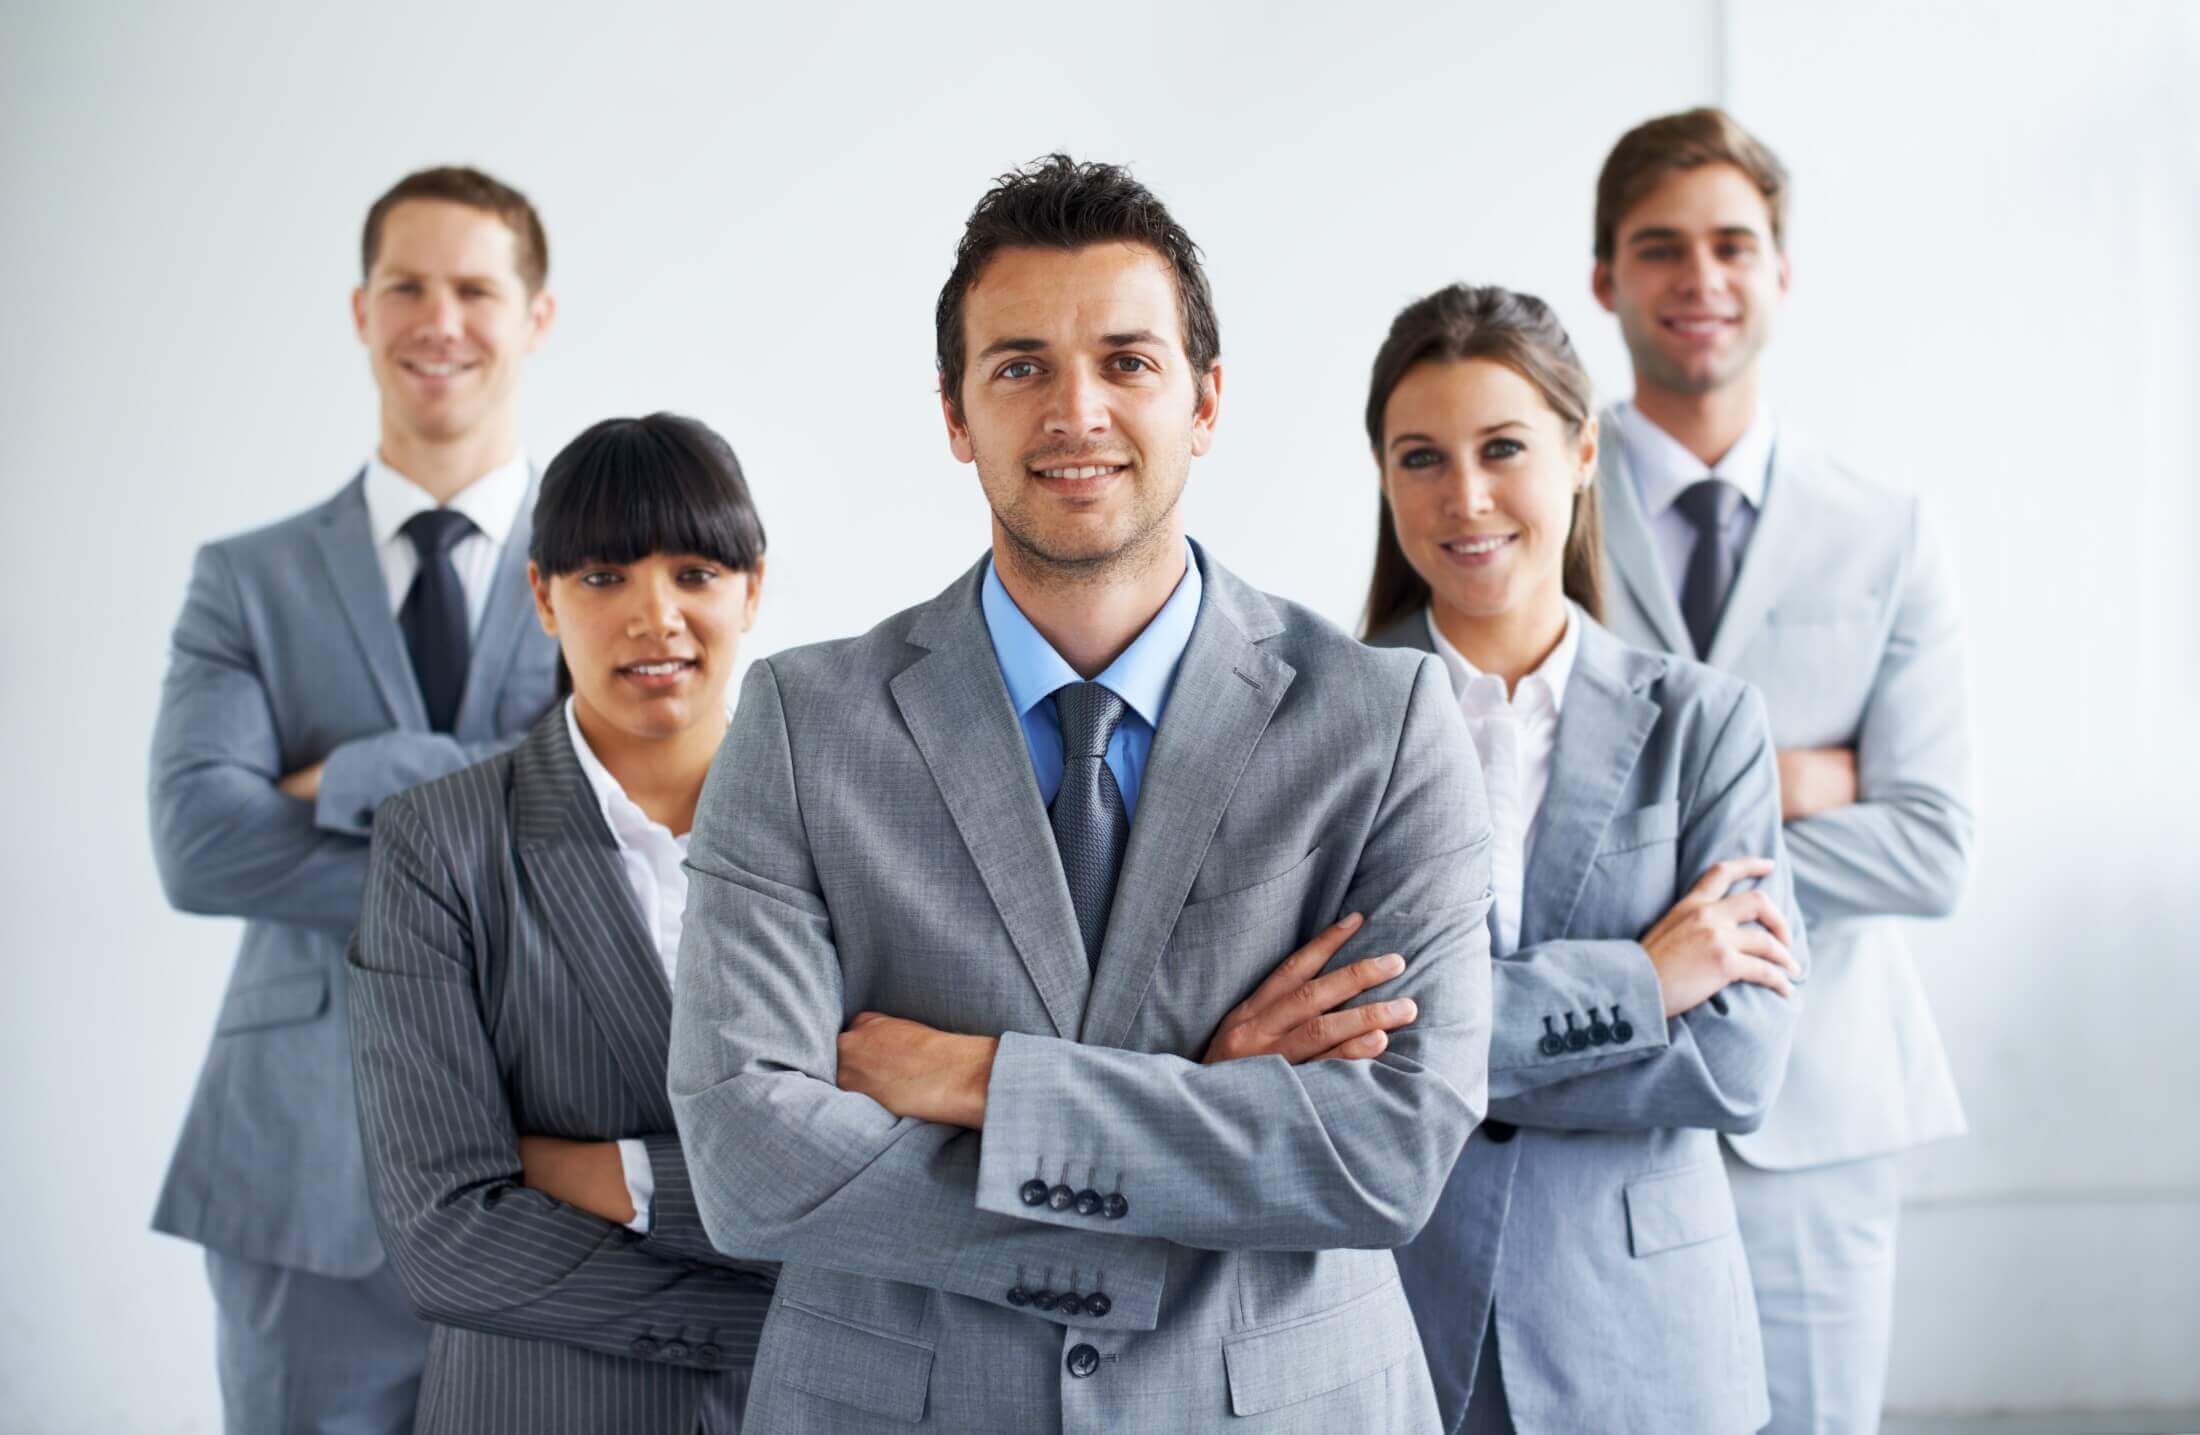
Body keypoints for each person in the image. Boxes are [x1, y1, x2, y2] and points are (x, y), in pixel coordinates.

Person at [665, 155, 1495, 1433]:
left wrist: (993, 1082)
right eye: (1019, 368)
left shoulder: (1381, 724)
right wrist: (1209, 1112)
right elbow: (748, 1156)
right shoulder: (799, 724)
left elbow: (1386, 1154)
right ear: (954, 413)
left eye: (1126, 361)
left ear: (1206, 400)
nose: (1075, 411)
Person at [148, 165, 561, 1432]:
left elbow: (627, 834)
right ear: (360, 311)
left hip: (551, 1176)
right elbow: (202, 845)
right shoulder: (247, 579)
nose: (440, 320)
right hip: (296, 1176)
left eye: (475, 289)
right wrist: (497, 831)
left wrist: (347, 777)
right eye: (407, 288)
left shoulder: (612, 571)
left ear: (535, 315)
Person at [1587, 108, 1976, 1434]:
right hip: (1590, 1103)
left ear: (1781, 272)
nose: (1701, 278)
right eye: (1661, 248)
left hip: (1819, 1110)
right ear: (1606, 280)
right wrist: (1801, 778)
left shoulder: (1888, 529)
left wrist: (1651, 857)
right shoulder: (1531, 503)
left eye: (1734, 245)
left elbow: (1928, 848)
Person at [1365, 283, 1807, 1434]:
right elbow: (1320, 1058)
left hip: (1645, 1340)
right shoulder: (1324, 723)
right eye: (1420, 457)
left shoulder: (1704, 722)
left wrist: (1440, 1051)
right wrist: (1641, 984)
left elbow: (1739, 1066)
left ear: (1580, 450)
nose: (1464, 497)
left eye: (1501, 447)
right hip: (1393, 1325)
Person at [347, 414, 778, 1433]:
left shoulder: (849, 826)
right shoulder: (438, 845)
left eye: (695, 572)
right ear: (540, 594)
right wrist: (787, 1315)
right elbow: (444, 1236)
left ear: (752, 586)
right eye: (603, 578)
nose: (653, 615)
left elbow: (900, 1178)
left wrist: (615, 1175)